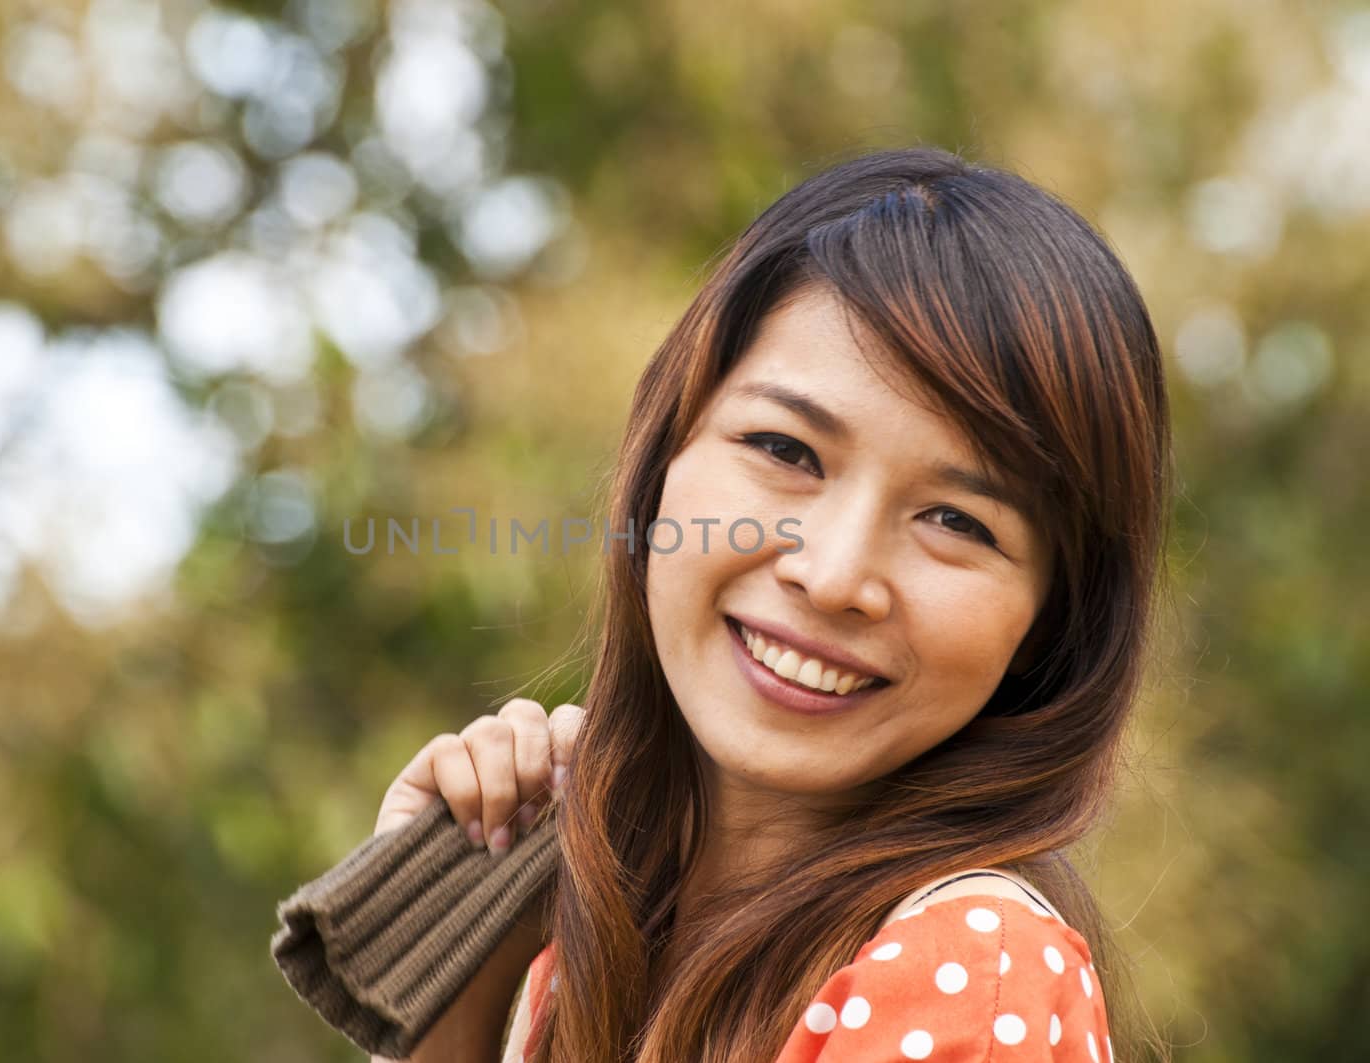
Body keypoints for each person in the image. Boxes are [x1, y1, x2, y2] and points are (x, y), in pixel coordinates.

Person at [318, 145, 1175, 1062]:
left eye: (956, 520)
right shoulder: (579, 955)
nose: (835, 574)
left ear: (1053, 620)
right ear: (664, 459)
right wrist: (456, 965)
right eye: (787, 450)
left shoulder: (965, 967)